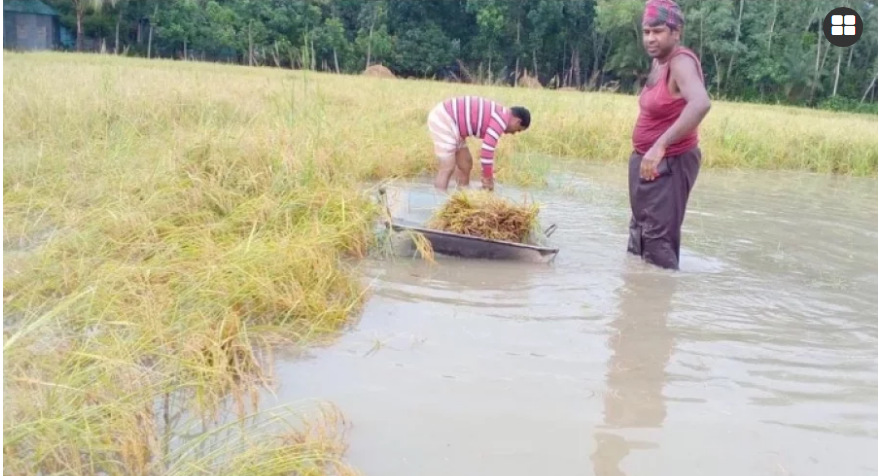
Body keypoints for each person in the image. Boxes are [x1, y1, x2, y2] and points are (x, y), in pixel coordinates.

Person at [627, 0, 711, 270]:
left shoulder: (680, 62)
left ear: (676, 32)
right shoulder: (658, 62)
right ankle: (638, 299)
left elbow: (701, 102)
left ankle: (658, 301)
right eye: (646, 31)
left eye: (658, 31)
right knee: (639, 233)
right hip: (648, 164)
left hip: (670, 164)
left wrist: (659, 146)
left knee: (658, 242)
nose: (651, 38)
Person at [427, 96, 530, 192]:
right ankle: (438, 201)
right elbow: (487, 150)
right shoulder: (502, 119)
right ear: (517, 122)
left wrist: (487, 175)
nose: (513, 133)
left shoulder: (501, 114)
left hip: (455, 127)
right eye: (517, 130)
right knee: (447, 167)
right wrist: (488, 177)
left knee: (465, 164)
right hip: (444, 119)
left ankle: (461, 195)